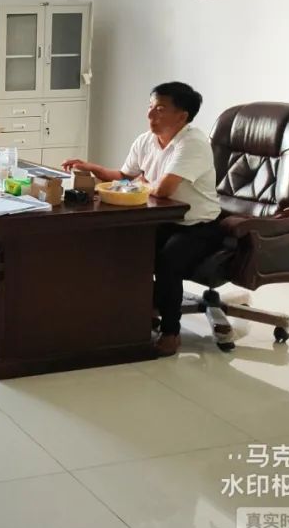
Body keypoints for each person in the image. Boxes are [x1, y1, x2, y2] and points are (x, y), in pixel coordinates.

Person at [62, 81, 223, 357]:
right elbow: (124, 176)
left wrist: (141, 183)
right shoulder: (146, 140)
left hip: (197, 225)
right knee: (125, 245)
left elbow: (164, 190)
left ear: (182, 116)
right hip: (161, 219)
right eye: (150, 107)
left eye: (160, 109)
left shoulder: (192, 143)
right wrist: (91, 167)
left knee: (168, 260)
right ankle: (136, 313)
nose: (150, 115)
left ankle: (171, 332)